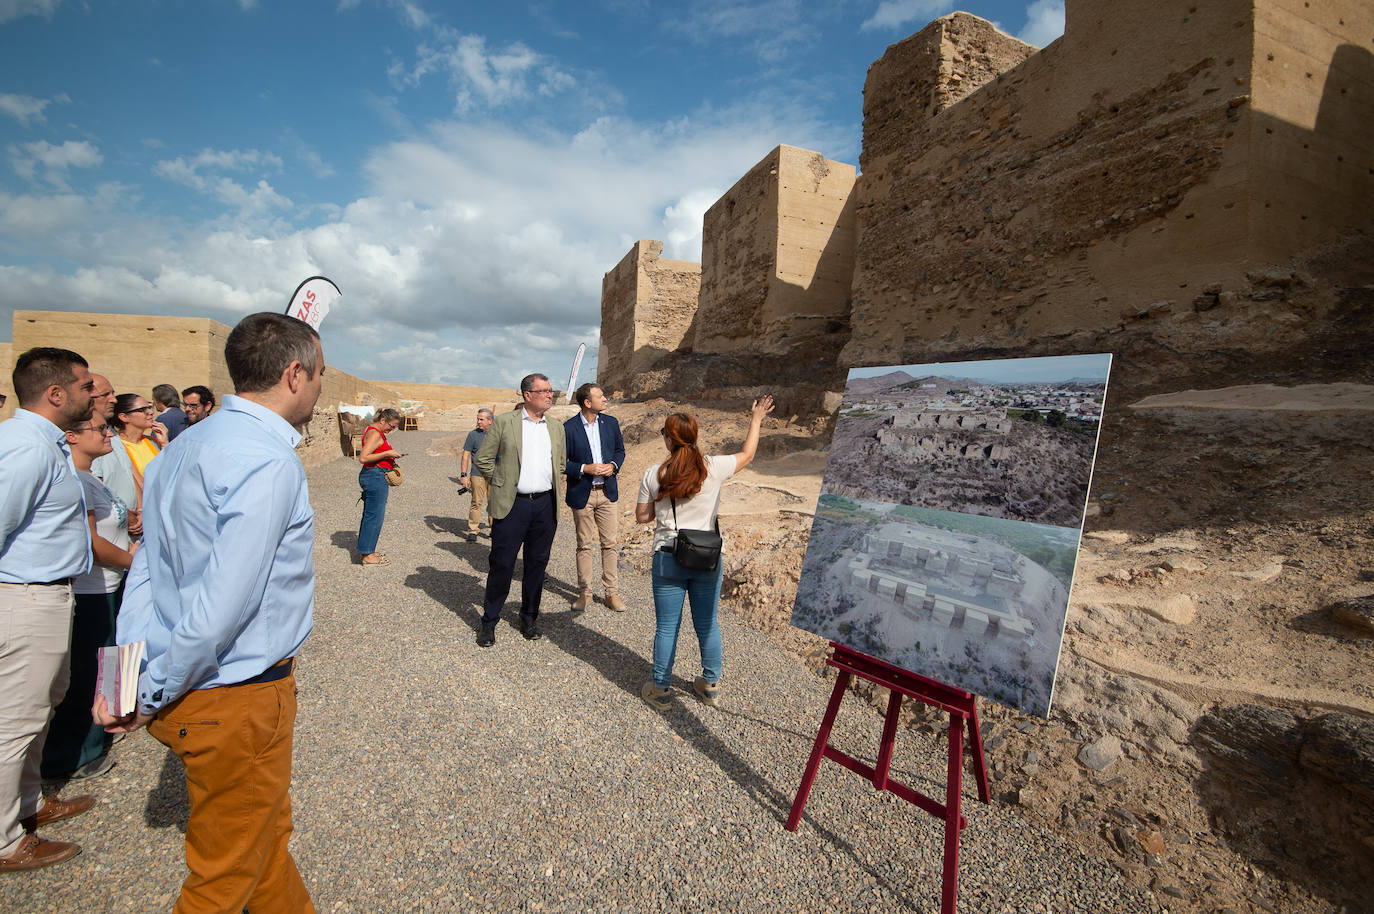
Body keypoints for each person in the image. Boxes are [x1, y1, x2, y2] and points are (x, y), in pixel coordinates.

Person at [95, 311, 323, 913]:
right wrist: (151, 694)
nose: (321, 388)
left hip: (197, 688)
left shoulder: (184, 445)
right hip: (233, 694)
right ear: (295, 374)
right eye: (319, 374)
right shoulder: (267, 461)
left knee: (263, 843)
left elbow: (147, 570)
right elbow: (225, 603)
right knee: (221, 879)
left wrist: (122, 678)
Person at [0, 347, 97, 872]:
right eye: (85, 386)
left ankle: (30, 803)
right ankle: (4, 839)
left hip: (47, 593)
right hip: (23, 597)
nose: (92, 394)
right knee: (14, 721)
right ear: (55, 393)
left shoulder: (43, 445)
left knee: (39, 707)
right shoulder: (25, 449)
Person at [635, 395, 773, 711]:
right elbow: (748, 454)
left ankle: (660, 688)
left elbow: (642, 517)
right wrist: (756, 419)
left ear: (668, 440)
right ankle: (710, 684)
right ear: (694, 437)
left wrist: (664, 505)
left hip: (668, 555)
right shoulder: (714, 466)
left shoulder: (653, 473)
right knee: (708, 623)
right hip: (707, 557)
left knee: (667, 626)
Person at [40, 412, 136, 782]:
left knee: (112, 655)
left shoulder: (89, 478)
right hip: (93, 588)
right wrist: (135, 563)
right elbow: (93, 544)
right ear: (73, 437)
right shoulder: (75, 482)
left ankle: (107, 727)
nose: (108, 433)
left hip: (112, 583)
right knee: (88, 670)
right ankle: (74, 752)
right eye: (100, 429)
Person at [473, 374, 567, 647]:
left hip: (544, 505)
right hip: (512, 504)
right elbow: (483, 459)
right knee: (502, 564)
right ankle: (489, 621)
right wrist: (501, 483)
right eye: (543, 391)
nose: (550, 395)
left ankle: (529, 617)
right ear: (527, 395)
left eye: (551, 391)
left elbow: (559, 463)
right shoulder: (504, 422)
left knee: (537, 564)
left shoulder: (556, 427)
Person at [564, 383, 626, 612]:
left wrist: (613, 465)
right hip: (583, 493)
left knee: (610, 544)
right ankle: (585, 593)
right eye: (601, 396)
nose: (605, 399)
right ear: (587, 402)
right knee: (584, 545)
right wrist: (584, 468)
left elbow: (620, 451)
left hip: (607, 493)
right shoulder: (568, 428)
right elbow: (562, 462)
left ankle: (611, 593)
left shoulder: (611, 423)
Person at [357, 407, 402, 566]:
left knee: (373, 514)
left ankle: (368, 549)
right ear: (383, 421)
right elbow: (364, 457)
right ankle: (367, 555)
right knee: (374, 516)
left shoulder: (374, 431)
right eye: (391, 426)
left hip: (374, 475)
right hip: (375, 476)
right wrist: (387, 454)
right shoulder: (375, 433)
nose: (392, 429)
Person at [109, 393, 168, 509]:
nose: (151, 412)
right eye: (142, 410)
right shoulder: (115, 446)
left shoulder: (152, 442)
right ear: (124, 417)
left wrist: (165, 444)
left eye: (149, 407)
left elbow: (169, 474)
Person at [459, 408, 493, 543]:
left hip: (494, 474)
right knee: (476, 502)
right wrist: (463, 475)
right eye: (477, 419)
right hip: (477, 474)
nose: (478, 422)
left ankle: (494, 529)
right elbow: (466, 455)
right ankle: (473, 530)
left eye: (481, 419)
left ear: (490, 421)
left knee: (494, 503)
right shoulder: (473, 435)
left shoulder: (499, 434)